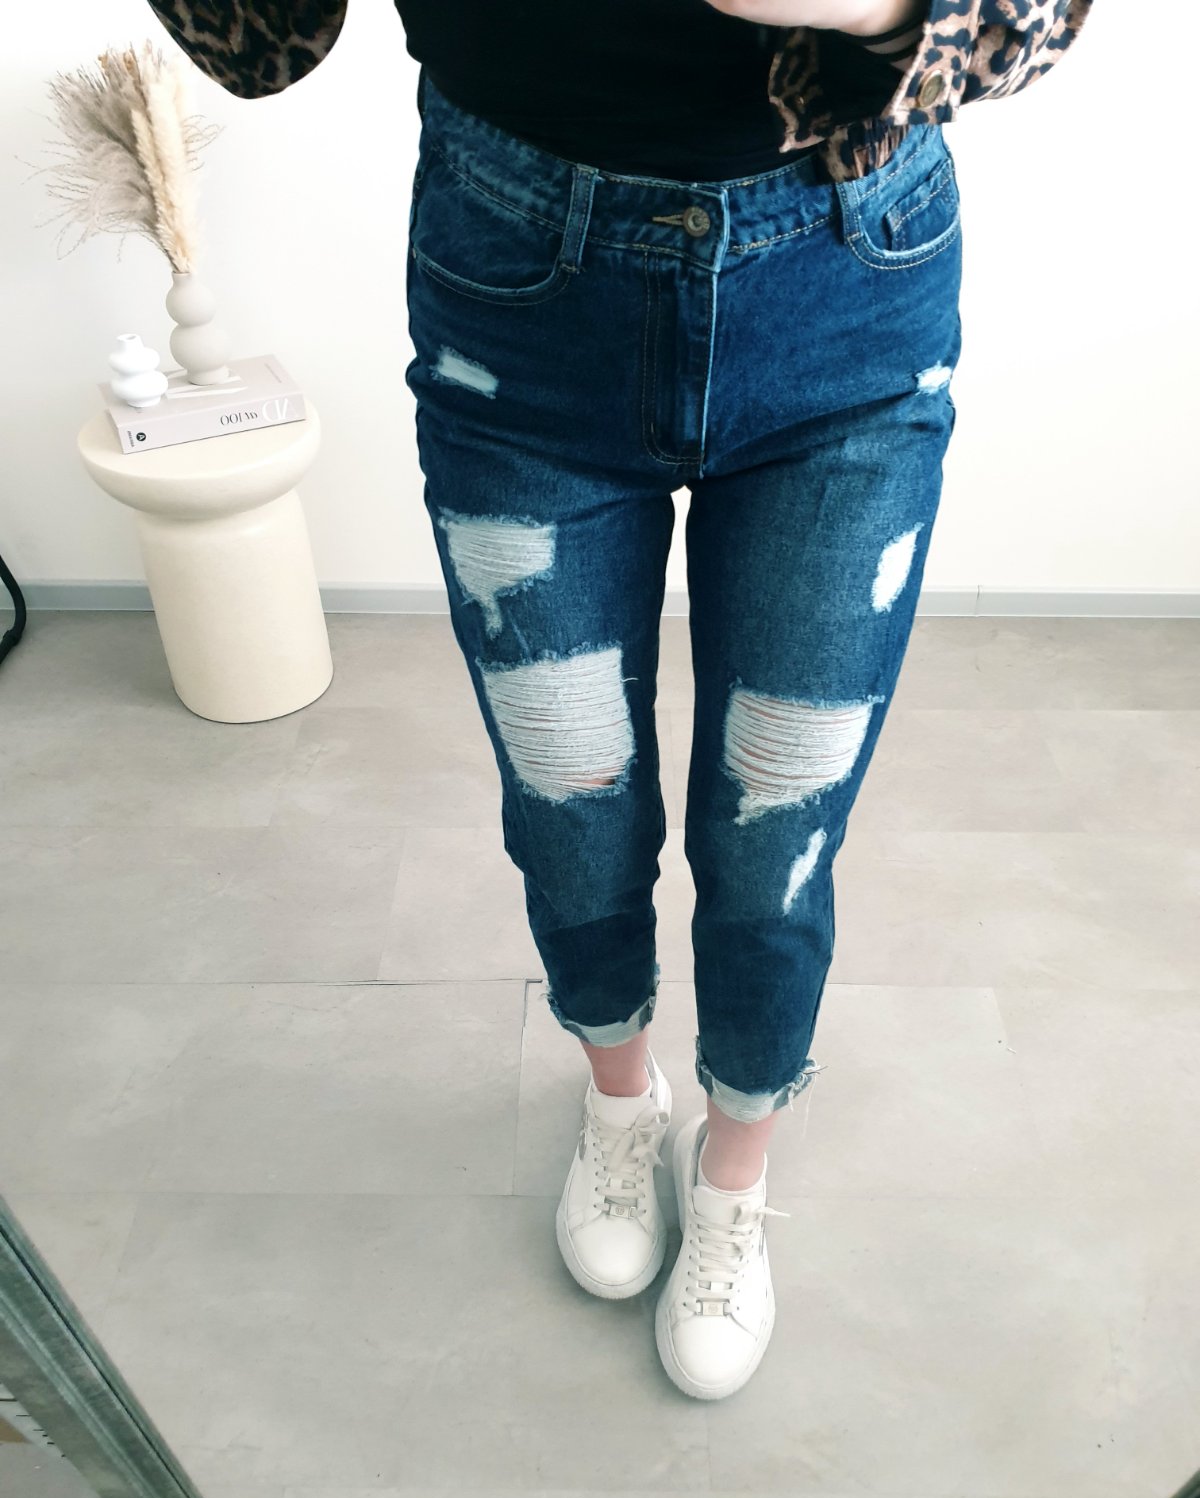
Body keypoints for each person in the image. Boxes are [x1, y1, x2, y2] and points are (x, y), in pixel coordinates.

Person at [146, 0, 1093, 1402]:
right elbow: (259, 45)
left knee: (779, 831)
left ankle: (735, 1171)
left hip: (846, 273)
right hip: (522, 278)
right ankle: (617, 1100)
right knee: (570, 799)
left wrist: (878, 5)